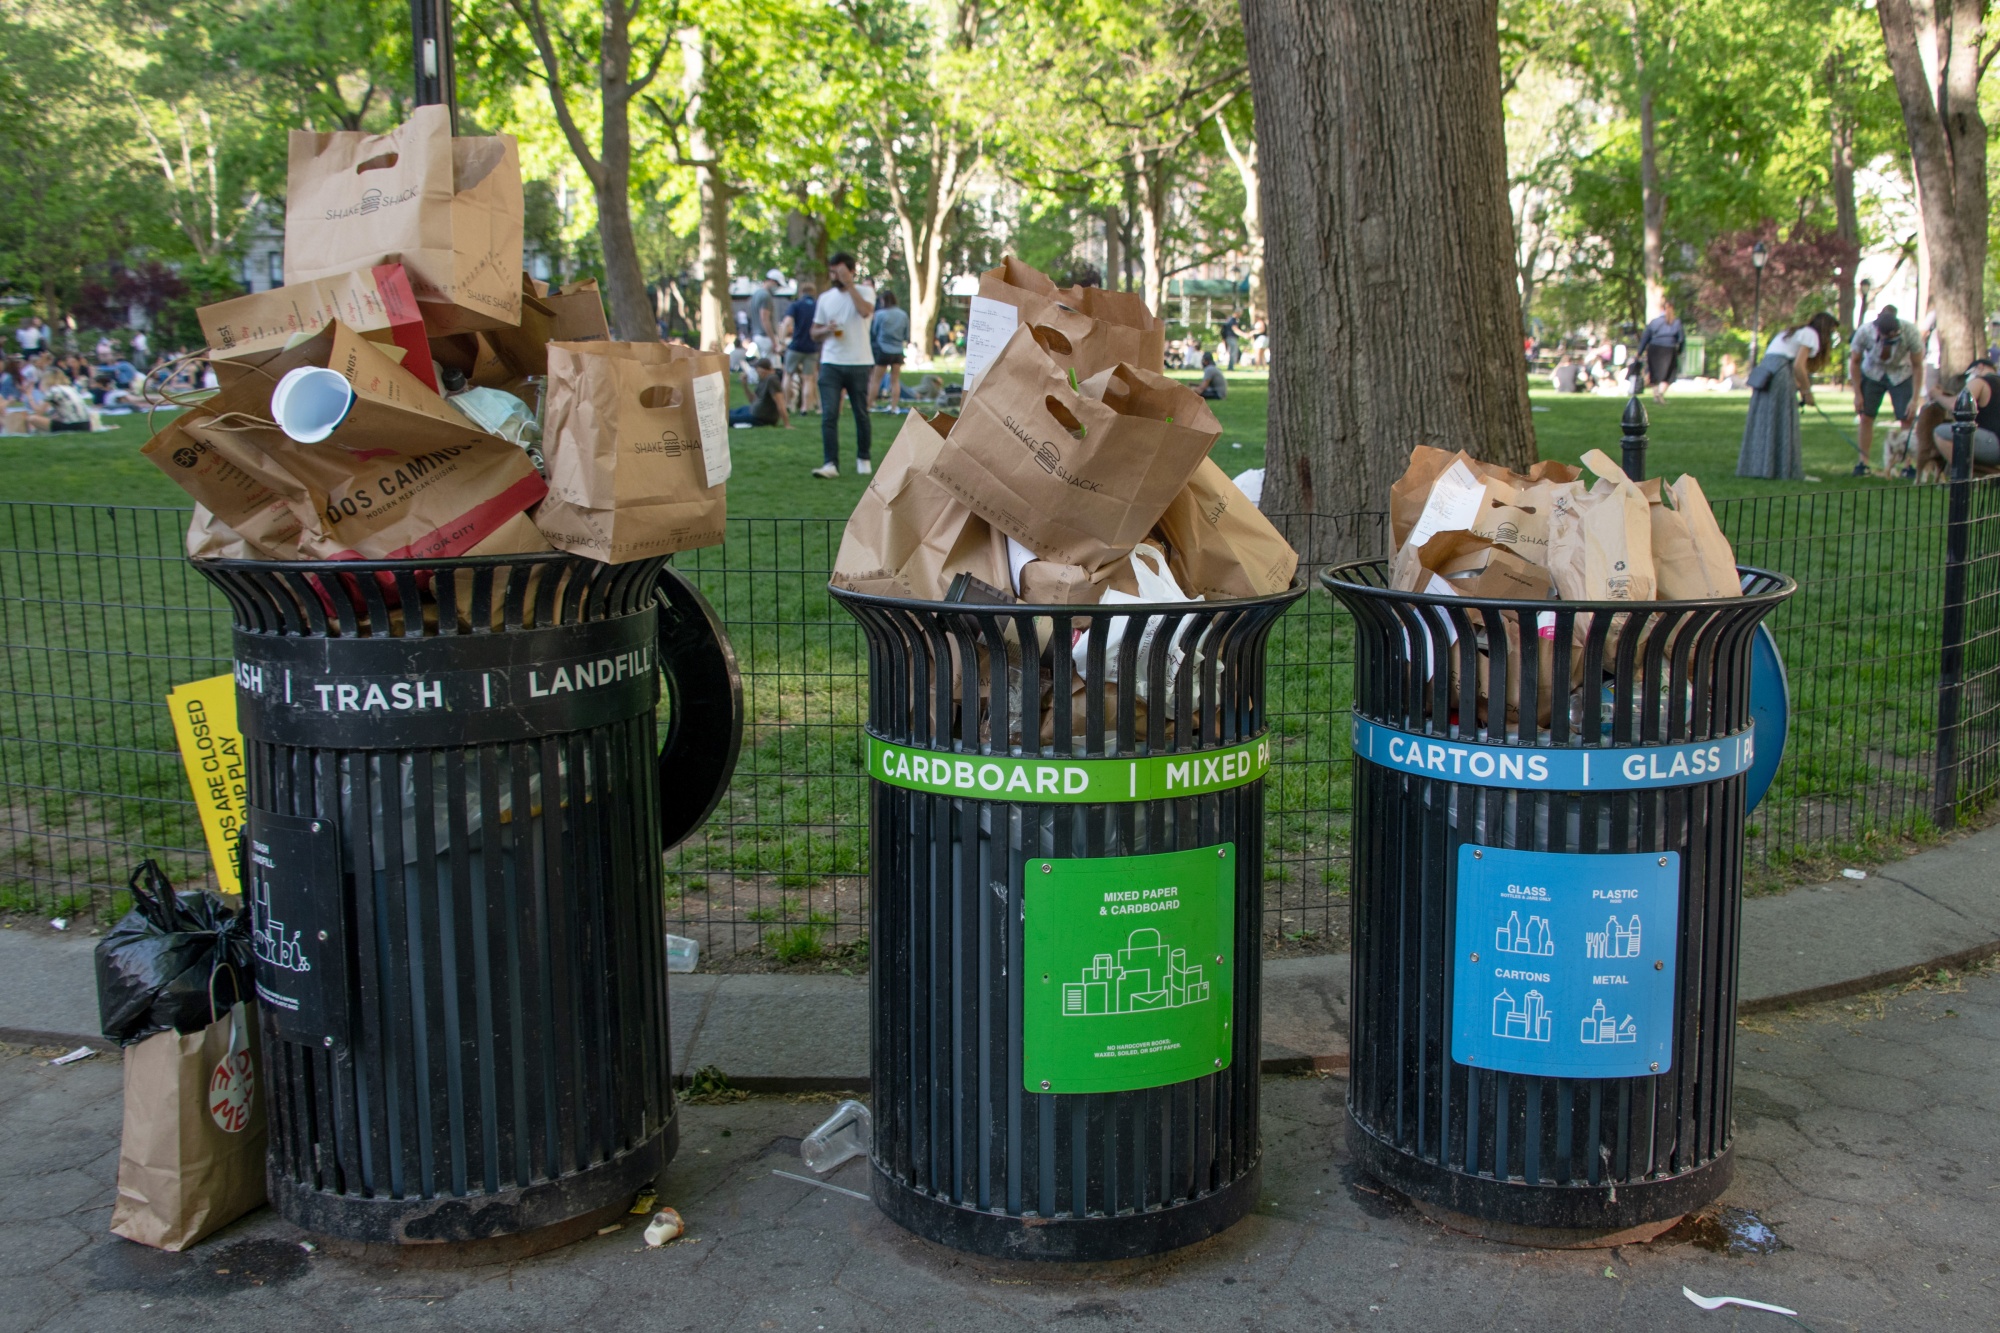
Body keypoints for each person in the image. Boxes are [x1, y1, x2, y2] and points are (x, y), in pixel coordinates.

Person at [1737, 311, 1837, 481]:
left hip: (1767, 372)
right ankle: (1785, 470)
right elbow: (1798, 366)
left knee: (1765, 421)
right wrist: (1807, 392)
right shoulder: (1811, 334)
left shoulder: (1791, 332)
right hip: (1781, 374)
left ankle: (1760, 467)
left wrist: (1799, 386)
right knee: (1783, 421)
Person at [809, 251, 876, 478]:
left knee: (860, 412)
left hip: (859, 362)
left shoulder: (865, 292)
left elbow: (865, 311)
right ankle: (830, 464)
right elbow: (813, 332)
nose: (834, 276)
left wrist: (850, 285)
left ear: (851, 271)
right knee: (829, 414)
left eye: (839, 271)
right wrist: (825, 330)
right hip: (831, 362)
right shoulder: (825, 298)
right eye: (832, 271)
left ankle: (863, 458)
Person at [1848, 304, 1921, 474]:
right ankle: (1863, 463)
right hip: (1872, 373)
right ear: (1877, 331)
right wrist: (1857, 393)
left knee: (1907, 418)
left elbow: (1918, 365)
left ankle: (1907, 465)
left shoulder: (1910, 331)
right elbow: (1855, 362)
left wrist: (1915, 398)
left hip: (1901, 374)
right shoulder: (1864, 332)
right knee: (1866, 416)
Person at [1930, 358, 2000, 472]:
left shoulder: (1980, 381)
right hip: (1994, 443)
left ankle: (1966, 476)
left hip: (1994, 444)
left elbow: (1957, 405)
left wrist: (1936, 395)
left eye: (1969, 373)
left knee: (1940, 432)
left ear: (1980, 367)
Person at [1636, 299, 1685, 404]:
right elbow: (1681, 339)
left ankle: (1656, 394)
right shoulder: (1676, 322)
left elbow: (1646, 337)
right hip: (1669, 349)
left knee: (1654, 372)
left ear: (1662, 309)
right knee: (1669, 374)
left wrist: (1639, 352)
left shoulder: (1654, 322)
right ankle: (1661, 393)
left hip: (1654, 348)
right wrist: (1680, 351)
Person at [869, 289, 909, 411]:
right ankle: (893, 406)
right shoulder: (903, 315)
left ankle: (869, 404)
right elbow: (906, 334)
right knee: (895, 380)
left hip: (883, 349)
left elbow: (874, 331)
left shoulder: (880, 314)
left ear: (883, 300)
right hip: (898, 350)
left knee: (876, 379)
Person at [729, 358, 791, 429]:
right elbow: (752, 400)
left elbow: (780, 403)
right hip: (753, 411)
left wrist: (787, 424)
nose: (756, 370)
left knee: (727, 419)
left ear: (763, 369)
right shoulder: (763, 379)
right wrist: (745, 385)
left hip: (761, 418)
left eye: (757, 368)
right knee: (731, 411)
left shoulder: (772, 380)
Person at [749, 270, 782, 358]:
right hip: (765, 336)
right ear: (772, 281)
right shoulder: (765, 296)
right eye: (777, 284)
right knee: (771, 365)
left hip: (757, 335)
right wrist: (773, 341)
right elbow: (764, 318)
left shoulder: (756, 294)